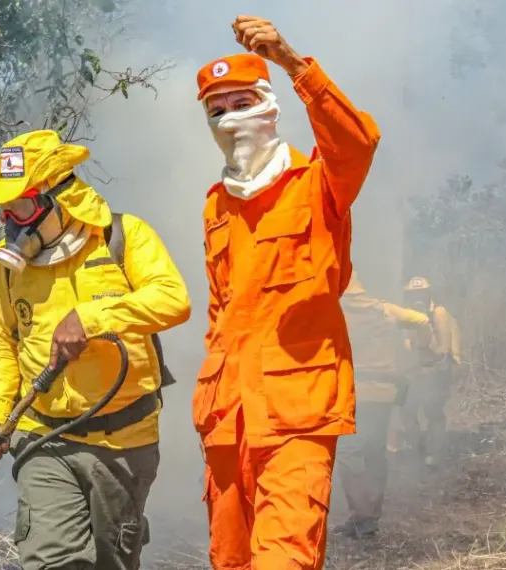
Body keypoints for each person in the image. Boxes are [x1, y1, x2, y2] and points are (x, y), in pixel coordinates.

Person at [193, 15, 381, 569]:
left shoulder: (319, 182)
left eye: (242, 103)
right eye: (217, 110)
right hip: (228, 421)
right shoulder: (216, 204)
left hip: (297, 415)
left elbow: (358, 143)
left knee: (285, 559)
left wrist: (292, 63)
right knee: (230, 560)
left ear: (269, 106)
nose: (230, 118)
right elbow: (220, 311)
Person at [0, 129, 191, 570]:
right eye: (3, 211)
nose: (12, 222)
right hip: (42, 436)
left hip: (123, 440)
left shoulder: (121, 236)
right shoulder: (7, 266)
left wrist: (92, 318)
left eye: (21, 207)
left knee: (113, 561)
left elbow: (173, 299)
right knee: (49, 561)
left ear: (61, 198)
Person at [333, 272, 432, 539]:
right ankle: (370, 516)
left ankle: (362, 515)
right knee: (375, 451)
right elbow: (423, 320)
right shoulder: (387, 311)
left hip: (355, 392)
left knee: (349, 451)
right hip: (385, 393)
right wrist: (423, 351)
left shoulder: (339, 313)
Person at [397, 276, 462, 468]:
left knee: (433, 412)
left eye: (421, 293)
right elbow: (406, 346)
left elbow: (443, 349)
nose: (417, 297)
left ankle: (434, 454)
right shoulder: (408, 315)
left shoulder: (438, 314)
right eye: (413, 294)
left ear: (428, 293)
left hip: (435, 372)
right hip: (415, 372)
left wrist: (425, 359)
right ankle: (416, 450)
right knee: (408, 412)